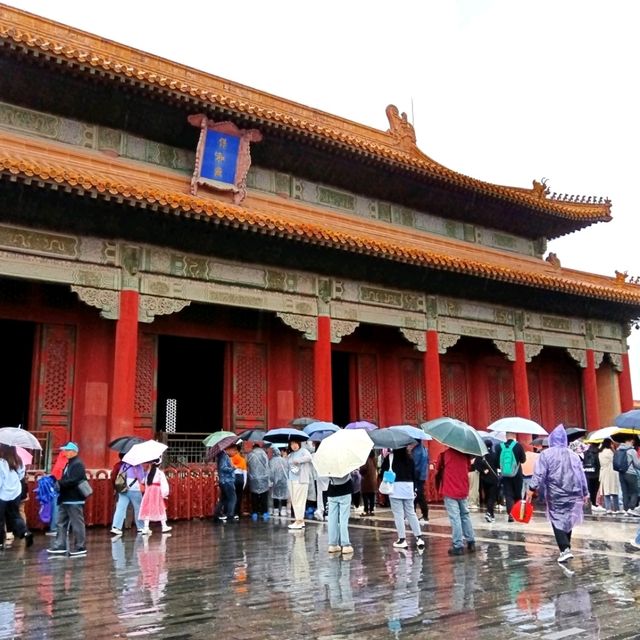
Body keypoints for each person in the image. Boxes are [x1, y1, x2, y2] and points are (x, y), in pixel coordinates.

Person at [527, 425, 589, 563]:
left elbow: (539, 473)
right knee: (568, 519)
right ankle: (566, 548)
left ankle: (565, 549)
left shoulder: (546, 454)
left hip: (555, 493)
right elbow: (581, 475)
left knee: (557, 519)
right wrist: (585, 492)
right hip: (574, 492)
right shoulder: (574, 455)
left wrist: (532, 488)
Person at [47, 442, 88, 557]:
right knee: (61, 523)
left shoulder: (78, 464)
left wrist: (59, 483)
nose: (65, 453)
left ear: (74, 452)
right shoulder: (69, 463)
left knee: (77, 523)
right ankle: (60, 545)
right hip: (65, 498)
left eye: (67, 450)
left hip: (74, 499)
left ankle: (80, 546)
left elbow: (74, 480)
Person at [381, 447, 425, 550]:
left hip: (395, 488)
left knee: (398, 514)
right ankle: (419, 538)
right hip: (408, 487)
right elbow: (415, 475)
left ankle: (402, 539)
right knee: (411, 513)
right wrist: (414, 488)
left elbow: (382, 472)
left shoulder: (390, 457)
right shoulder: (410, 458)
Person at [436, 446, 475, 555]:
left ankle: (458, 545)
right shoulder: (465, 454)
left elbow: (438, 469)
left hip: (449, 489)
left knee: (455, 518)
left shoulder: (444, 455)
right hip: (463, 489)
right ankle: (471, 541)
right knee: (465, 515)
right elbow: (468, 467)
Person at [0, 444, 33, 550]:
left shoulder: (1, 463)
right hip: (15, 493)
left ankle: (0, 542)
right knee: (15, 515)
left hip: (3, 494)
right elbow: (21, 476)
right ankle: (26, 532)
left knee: (0, 519)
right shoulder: (19, 460)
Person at [110, 454, 146, 536]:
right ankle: (140, 527)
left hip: (124, 488)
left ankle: (116, 527)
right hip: (135, 489)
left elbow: (120, 475)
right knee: (138, 508)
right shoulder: (139, 466)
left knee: (120, 508)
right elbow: (142, 479)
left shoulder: (124, 465)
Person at [496, 432, 527, 522]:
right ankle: (519, 514)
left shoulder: (499, 447)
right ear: (514, 436)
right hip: (517, 474)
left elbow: (497, 462)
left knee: (508, 495)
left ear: (506, 436)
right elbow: (523, 460)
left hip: (505, 475)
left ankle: (510, 515)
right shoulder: (518, 446)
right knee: (518, 494)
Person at [138, 459, 171, 534]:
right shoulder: (160, 473)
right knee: (160, 508)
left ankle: (146, 527)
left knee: (147, 508)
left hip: (148, 491)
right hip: (157, 492)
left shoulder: (148, 472)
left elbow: (144, 482)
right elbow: (164, 484)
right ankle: (164, 526)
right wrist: (164, 494)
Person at [287, 439, 313, 530]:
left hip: (301, 480)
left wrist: (298, 460)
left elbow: (309, 458)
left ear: (299, 443)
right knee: (294, 500)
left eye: (295, 443)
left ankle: (299, 520)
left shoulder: (304, 451)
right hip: (292, 480)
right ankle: (300, 521)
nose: (294, 446)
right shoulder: (290, 454)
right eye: (291, 444)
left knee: (300, 501)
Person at [326, 473, 354, 555]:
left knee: (332, 518)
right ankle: (345, 544)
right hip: (345, 490)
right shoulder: (345, 462)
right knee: (343, 519)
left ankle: (333, 544)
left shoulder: (327, 463)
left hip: (332, 490)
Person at [473, 442, 499, 523]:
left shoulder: (480, 455)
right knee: (492, 497)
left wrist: (483, 470)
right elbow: (498, 465)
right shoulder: (495, 454)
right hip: (494, 479)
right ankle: (489, 512)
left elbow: (476, 465)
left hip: (484, 479)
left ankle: (491, 514)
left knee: (488, 496)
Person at [614, 435, 640, 514]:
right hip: (631, 474)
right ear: (631, 441)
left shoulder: (618, 449)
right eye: (633, 441)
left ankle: (626, 510)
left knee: (625, 492)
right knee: (635, 492)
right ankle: (631, 509)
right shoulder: (632, 451)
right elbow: (637, 464)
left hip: (621, 473)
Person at [247, 443, 270, 521]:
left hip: (253, 479)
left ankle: (255, 513)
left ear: (253, 448)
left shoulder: (250, 454)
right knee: (264, 496)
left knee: (254, 496)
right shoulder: (264, 454)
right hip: (264, 478)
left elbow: (247, 465)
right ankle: (265, 512)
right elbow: (267, 465)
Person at [214, 447, 237, 522]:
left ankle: (217, 513)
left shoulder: (221, 456)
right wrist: (232, 468)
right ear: (229, 449)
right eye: (234, 450)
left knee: (223, 499)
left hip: (223, 481)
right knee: (232, 498)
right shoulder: (224, 456)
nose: (235, 452)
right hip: (227, 481)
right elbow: (223, 468)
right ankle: (230, 515)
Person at [598, 438, 620, 515]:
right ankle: (616, 508)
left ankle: (608, 508)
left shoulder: (600, 452)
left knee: (606, 491)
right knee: (614, 490)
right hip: (611, 472)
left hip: (603, 472)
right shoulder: (609, 452)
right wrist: (614, 449)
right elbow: (616, 458)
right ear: (609, 444)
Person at [410, 441, 429, 524]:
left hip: (417, 475)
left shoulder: (417, 451)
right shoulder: (424, 449)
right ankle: (421, 514)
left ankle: (422, 514)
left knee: (417, 495)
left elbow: (415, 464)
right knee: (418, 495)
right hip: (423, 475)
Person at [227, 443, 247, 520]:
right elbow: (245, 473)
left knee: (231, 497)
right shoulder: (242, 460)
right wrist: (244, 484)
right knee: (239, 497)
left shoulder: (230, 459)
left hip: (232, 478)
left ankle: (230, 512)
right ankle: (236, 513)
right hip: (240, 479)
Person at [268, 446, 289, 517]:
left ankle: (276, 510)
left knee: (275, 495)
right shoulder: (284, 460)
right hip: (284, 481)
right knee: (284, 495)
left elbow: (270, 472)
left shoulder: (271, 461)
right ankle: (283, 509)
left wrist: (270, 480)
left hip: (274, 481)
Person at [582, 442, 602, 512]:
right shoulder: (599, 452)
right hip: (596, 474)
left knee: (589, 489)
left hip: (587, 473)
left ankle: (590, 504)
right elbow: (599, 463)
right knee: (595, 490)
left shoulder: (585, 452)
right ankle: (594, 503)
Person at [359, 450, 378, 517]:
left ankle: (366, 510)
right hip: (373, 481)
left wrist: (360, 470)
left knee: (365, 496)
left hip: (366, 481)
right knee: (372, 496)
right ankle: (372, 510)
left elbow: (363, 469)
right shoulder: (374, 460)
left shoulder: (366, 460)